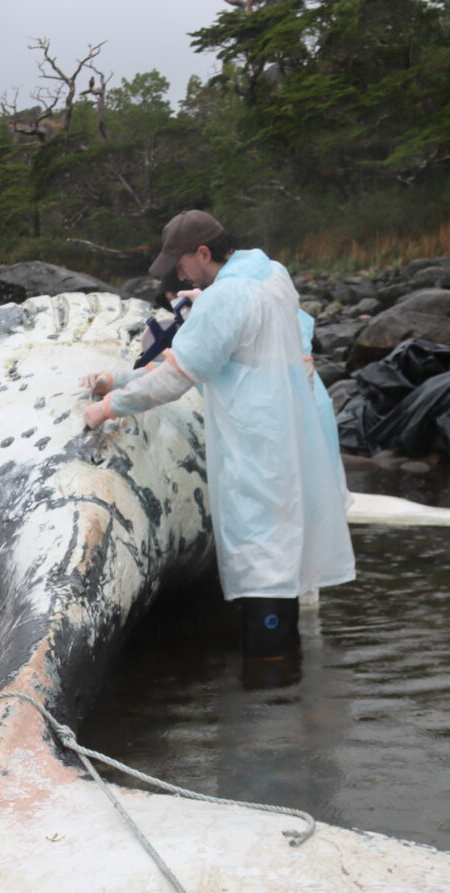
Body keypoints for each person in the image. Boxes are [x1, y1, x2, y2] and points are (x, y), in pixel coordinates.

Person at [81, 210, 355, 656]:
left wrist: (107, 407)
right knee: (285, 546)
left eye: (181, 262)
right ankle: (286, 675)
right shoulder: (271, 271)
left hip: (254, 442)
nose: (178, 271)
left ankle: (268, 683)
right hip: (291, 431)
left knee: (261, 553)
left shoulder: (225, 298)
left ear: (204, 253)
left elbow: (176, 377)